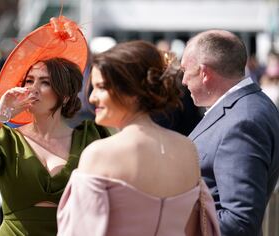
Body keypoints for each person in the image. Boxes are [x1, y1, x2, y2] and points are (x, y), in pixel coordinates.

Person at [0, 16, 110, 236]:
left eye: (45, 82)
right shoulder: (7, 138)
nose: (33, 89)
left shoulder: (89, 138)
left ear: (66, 95)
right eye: (29, 81)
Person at [57, 40, 220, 236]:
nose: (92, 98)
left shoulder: (100, 154)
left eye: (101, 87)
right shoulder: (188, 150)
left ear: (131, 92)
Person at [181, 29, 279, 236]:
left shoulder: (243, 120)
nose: (183, 81)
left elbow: (239, 222)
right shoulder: (244, 107)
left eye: (185, 71)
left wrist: (171, 224)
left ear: (204, 73)